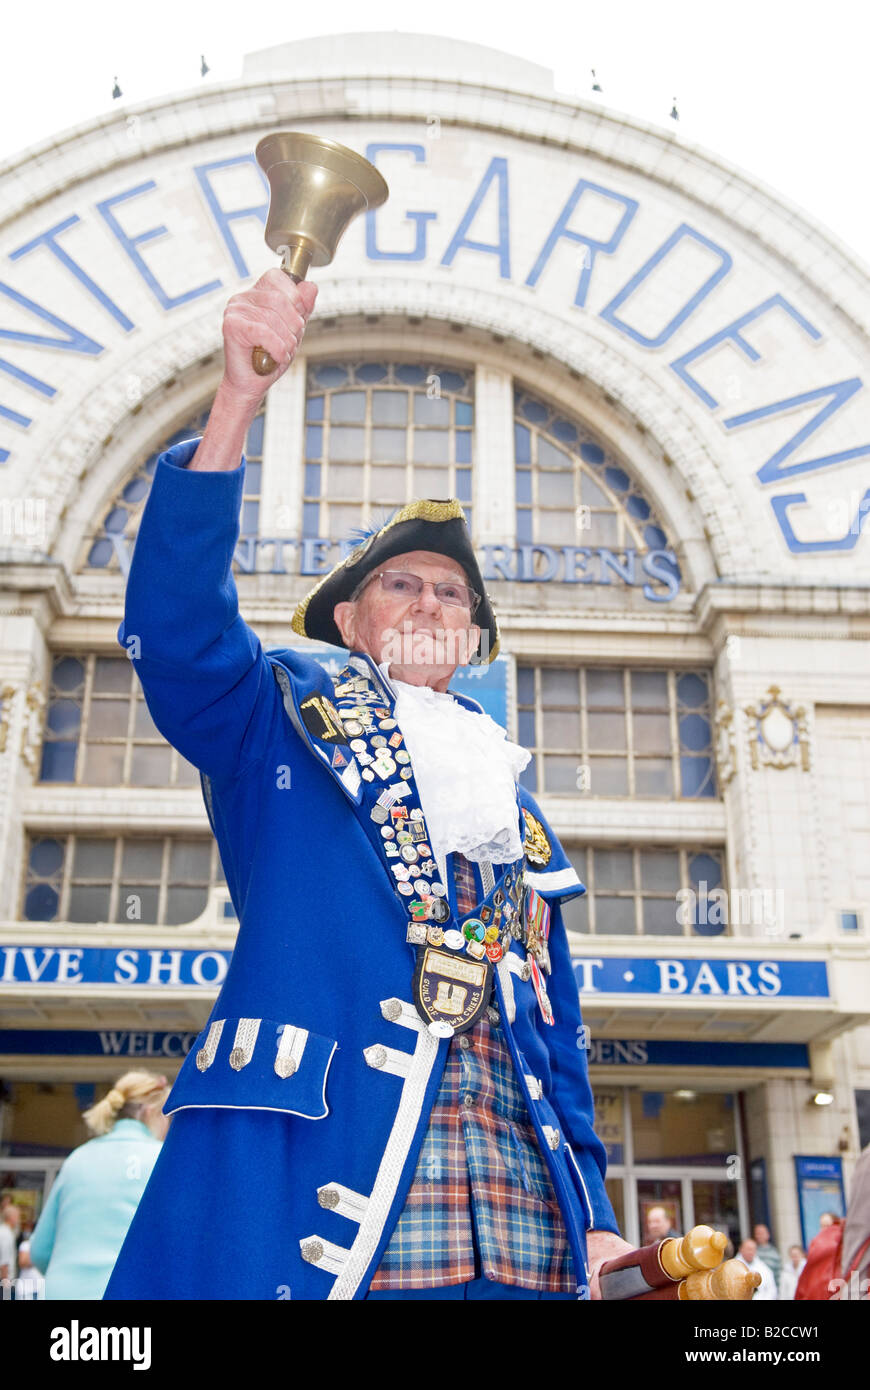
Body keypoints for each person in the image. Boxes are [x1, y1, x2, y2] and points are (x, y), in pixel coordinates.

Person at [104, 269, 633, 1301]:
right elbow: (178, 635)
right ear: (348, 619)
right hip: (342, 1194)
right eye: (401, 581)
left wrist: (602, 1220)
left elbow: (555, 1031)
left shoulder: (511, 805)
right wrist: (235, 404)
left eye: (452, 592)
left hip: (526, 1223)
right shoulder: (281, 716)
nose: (432, 598)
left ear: (474, 635)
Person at [29, 1071, 169, 1299]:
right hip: (130, 1293)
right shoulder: (161, 1159)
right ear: (151, 1112)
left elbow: (40, 1250)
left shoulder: (78, 1158)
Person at [753, 1222, 782, 1286]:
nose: (760, 1236)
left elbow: (778, 1274)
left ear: (768, 1235)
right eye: (758, 1233)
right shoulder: (752, 1251)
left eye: (762, 1233)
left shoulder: (774, 1253)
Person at [0, 1199, 17, 1289]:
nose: (18, 1219)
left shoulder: (3, 1230)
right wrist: (6, 1283)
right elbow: (4, 1261)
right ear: (11, 1217)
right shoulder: (6, 1234)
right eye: (17, 1216)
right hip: (6, 1279)